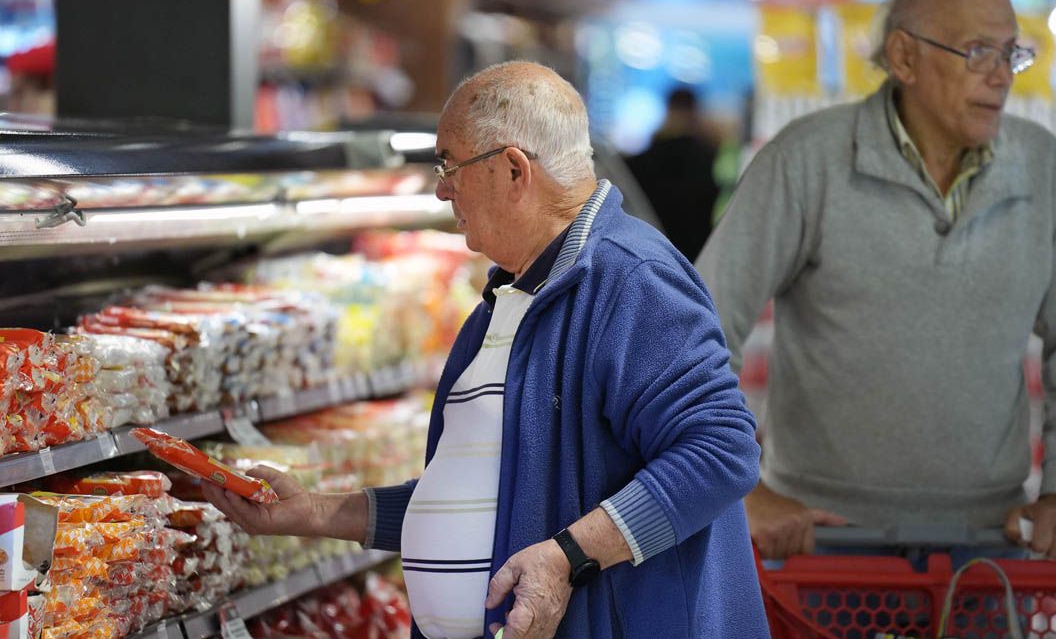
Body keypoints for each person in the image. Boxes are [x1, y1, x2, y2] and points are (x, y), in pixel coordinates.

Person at [204, 61, 769, 639]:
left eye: (448, 164)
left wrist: (568, 556)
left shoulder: (632, 280)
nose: (441, 187)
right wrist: (316, 513)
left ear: (514, 170)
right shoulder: (510, 300)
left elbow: (723, 450)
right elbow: (491, 502)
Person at [696, 0, 1056, 564]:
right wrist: (740, 488)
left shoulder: (1044, 172)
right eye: (977, 52)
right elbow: (697, 330)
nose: (1001, 76)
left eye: (1011, 53)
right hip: (822, 541)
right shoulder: (808, 162)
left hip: (988, 545)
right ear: (904, 57)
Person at [626, 86, 721, 261]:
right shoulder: (706, 155)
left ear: (668, 109)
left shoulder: (645, 159)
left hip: (651, 250)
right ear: (694, 111)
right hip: (696, 252)